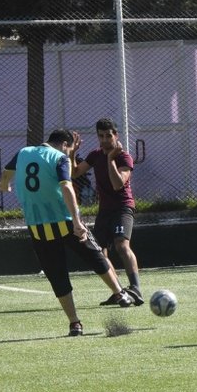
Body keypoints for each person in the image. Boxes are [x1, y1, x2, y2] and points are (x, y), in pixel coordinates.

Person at [0, 129, 134, 337]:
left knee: (57, 274)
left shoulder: (23, 152)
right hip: (64, 221)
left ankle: (75, 323)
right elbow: (68, 188)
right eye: (70, 149)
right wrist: (78, 222)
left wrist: (5, 185)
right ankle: (120, 293)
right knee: (95, 255)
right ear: (64, 144)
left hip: (36, 226)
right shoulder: (59, 157)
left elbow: (6, 173)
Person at [71, 118, 144, 306]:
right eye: (101, 136)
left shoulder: (123, 157)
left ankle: (135, 288)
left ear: (116, 135)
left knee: (121, 245)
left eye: (108, 135)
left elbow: (118, 184)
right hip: (105, 211)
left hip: (122, 208)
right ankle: (120, 292)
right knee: (99, 252)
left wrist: (111, 158)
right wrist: (72, 154)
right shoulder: (95, 155)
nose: (104, 140)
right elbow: (75, 173)